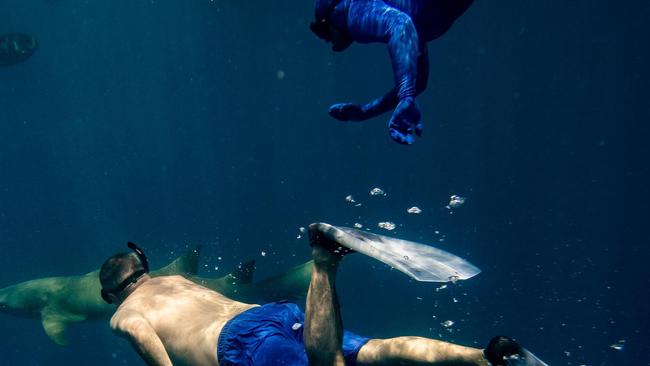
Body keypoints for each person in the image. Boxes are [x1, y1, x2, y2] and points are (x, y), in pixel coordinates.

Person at [100, 230, 526, 366]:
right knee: (375, 351)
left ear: (109, 294)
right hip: (274, 316)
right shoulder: (180, 283)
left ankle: (323, 263)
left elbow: (142, 332)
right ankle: (482, 357)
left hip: (243, 345)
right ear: (144, 270)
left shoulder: (125, 313)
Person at [310, 0, 474, 145]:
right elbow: (419, 82)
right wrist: (365, 112)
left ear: (335, 12)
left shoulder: (352, 13)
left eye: (322, 30)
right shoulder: (413, 23)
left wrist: (406, 95)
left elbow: (400, 24)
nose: (326, 40)